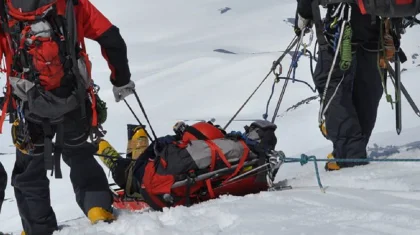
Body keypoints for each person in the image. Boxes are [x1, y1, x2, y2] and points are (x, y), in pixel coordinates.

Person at [0, 0, 135, 234]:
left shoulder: (4, 10)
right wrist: (121, 79)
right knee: (80, 153)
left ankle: (38, 228)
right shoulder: (71, 3)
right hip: (73, 99)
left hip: (28, 107)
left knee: (30, 170)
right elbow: (111, 38)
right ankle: (98, 209)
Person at [96, 120, 283, 211]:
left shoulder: (220, 147)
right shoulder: (247, 154)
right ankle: (136, 142)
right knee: (136, 163)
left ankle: (111, 153)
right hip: (170, 177)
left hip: (150, 181)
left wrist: (177, 138)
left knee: (125, 169)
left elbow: (163, 148)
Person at [294, 0, 390, 171]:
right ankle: (353, 148)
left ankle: (350, 155)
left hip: (343, 19)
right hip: (378, 20)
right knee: (367, 81)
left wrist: (304, 13)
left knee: (330, 81)